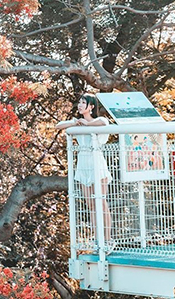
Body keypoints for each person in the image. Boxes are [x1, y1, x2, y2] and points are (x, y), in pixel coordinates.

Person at [56, 93, 114, 251]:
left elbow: (103, 122)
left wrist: (87, 124)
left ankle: (108, 240)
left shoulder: (97, 122)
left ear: (91, 107)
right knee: (91, 205)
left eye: (84, 103)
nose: (80, 105)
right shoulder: (78, 124)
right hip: (83, 163)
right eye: (79, 102)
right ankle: (98, 241)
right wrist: (74, 122)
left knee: (101, 202)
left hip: (97, 162)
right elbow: (58, 125)